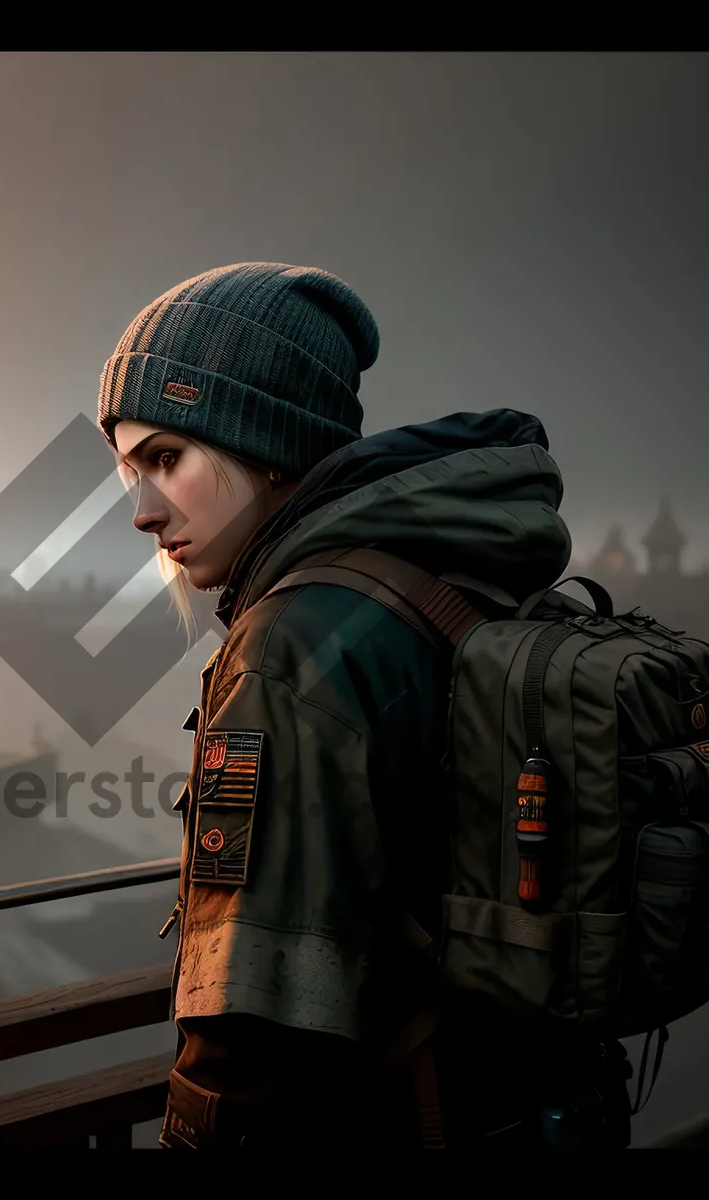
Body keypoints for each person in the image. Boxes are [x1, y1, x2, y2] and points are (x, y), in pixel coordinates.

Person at [96, 262, 633, 1150]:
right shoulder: (457, 574)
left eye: (166, 457)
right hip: (549, 1106)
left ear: (265, 441)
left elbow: (252, 1025)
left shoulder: (294, 644)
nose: (143, 512)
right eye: (131, 470)